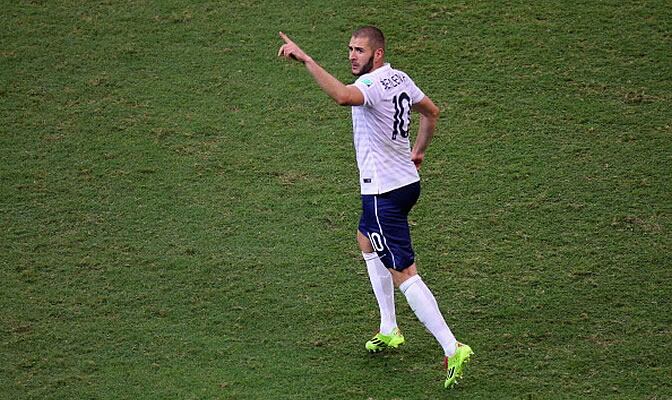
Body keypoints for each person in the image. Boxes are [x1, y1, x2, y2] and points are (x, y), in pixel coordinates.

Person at [277, 26, 473, 388]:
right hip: (405, 185)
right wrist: (420, 151)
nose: (352, 55)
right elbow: (431, 112)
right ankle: (389, 327)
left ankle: (452, 346)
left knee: (404, 273)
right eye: (350, 49)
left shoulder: (369, 87)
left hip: (383, 194)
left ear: (377, 54)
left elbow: (341, 97)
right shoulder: (399, 77)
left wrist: (306, 59)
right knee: (366, 239)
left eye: (360, 50)